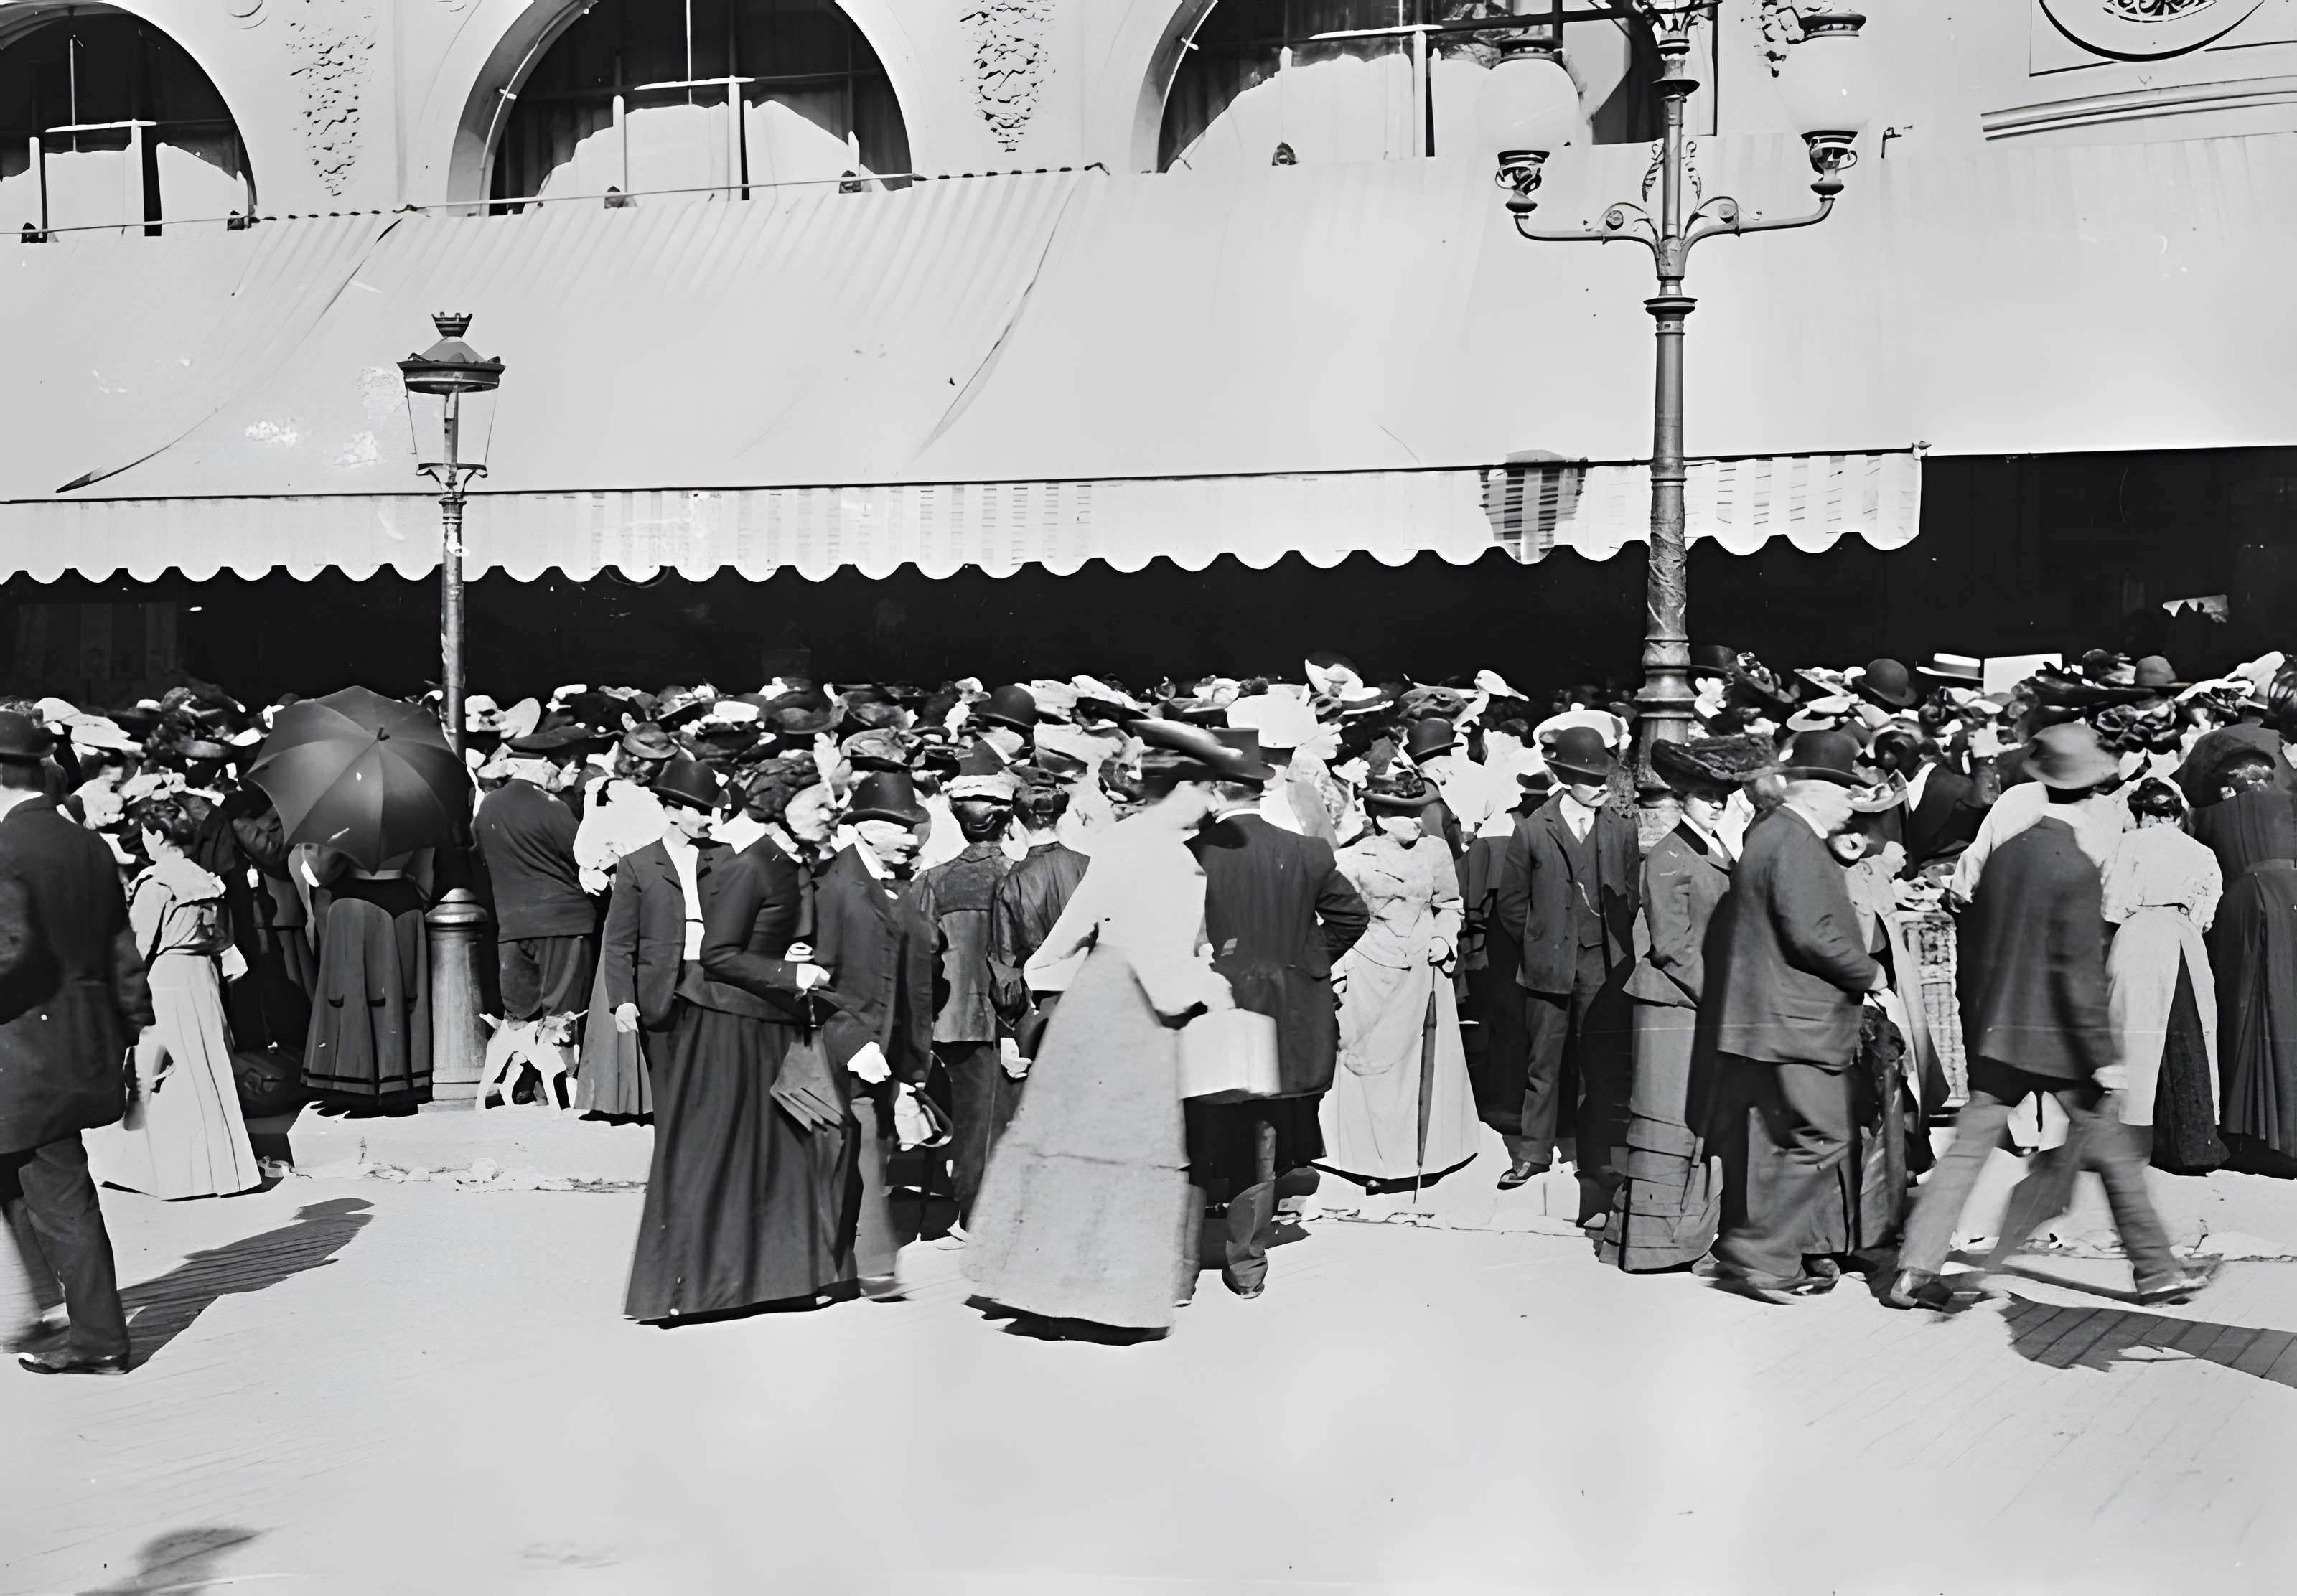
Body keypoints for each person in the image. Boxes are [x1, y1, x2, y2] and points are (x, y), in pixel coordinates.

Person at [1889, 725, 2212, 1310]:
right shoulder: (2078, 866)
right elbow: (2078, 973)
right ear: (2090, 794)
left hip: (2000, 1033)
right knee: (2114, 1153)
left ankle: (1915, 1268)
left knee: (1965, 1155)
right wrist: (2103, 1057)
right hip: (2060, 1042)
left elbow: (1979, 942)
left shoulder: (2007, 853)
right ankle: (2156, 1267)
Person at [966, 721, 1242, 1336]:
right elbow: (1158, 960)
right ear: (1181, 788)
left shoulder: (1121, 841)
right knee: (1127, 1149)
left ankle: (1038, 1285)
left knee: (1068, 1143)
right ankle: (1105, 1298)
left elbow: (1065, 938)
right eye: (1209, 790)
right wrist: (1207, 987)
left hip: (1093, 1010)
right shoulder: (1166, 857)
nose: (1214, 804)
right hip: (1135, 1020)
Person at [631, 761, 841, 1322]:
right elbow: (719, 956)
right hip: (727, 1027)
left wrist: (789, 960)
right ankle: (693, 1291)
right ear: (782, 807)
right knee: (720, 1155)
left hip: (766, 1023)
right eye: (819, 804)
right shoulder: (753, 867)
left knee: (776, 1156)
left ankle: (776, 1281)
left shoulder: (789, 862)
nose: (831, 813)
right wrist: (789, 975)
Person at [1703, 729, 1889, 1303]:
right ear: (1812, 792)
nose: (1851, 805)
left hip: (1766, 1019)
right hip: (1799, 1019)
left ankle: (1764, 1255)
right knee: (1825, 1136)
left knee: (1775, 1137)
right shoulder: (1797, 842)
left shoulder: (1770, 832)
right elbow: (1815, 934)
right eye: (1844, 794)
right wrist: (1871, 975)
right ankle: (1757, 1254)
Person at [1187, 731, 1368, 1298]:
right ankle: (1246, 1269)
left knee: (1191, 1141)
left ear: (1214, 790)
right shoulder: (1305, 853)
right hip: (1280, 1016)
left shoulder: (1189, 855)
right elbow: (1351, 918)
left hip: (1206, 1008)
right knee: (1257, 1140)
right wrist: (1303, 963)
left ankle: (1177, 1276)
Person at [0, 712, 153, 1375]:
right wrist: (132, 1030)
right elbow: (121, 948)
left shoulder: (5, 848)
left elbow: (11, 952)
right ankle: (45, 1312)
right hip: (75, 1047)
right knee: (30, 1181)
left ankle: (98, 1338)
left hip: (22, 1054)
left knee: (57, 1193)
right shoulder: (84, 843)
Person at [1601, 738, 1761, 1272]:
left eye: (1723, 795)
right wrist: (1722, 999)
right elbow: (1672, 947)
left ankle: (1679, 1236)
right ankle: (1655, 1246)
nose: (1716, 803)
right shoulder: (1670, 855)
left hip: (1694, 1002)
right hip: (1672, 1006)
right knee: (1668, 1120)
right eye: (1705, 794)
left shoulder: (1710, 849)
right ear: (1683, 795)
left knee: (1691, 1117)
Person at [1492, 725, 1640, 1216]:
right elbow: (1511, 904)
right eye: (1589, 777)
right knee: (1543, 1063)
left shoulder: (1620, 827)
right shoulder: (1534, 828)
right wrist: (1542, 942)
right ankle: (1532, 1154)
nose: (1602, 785)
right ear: (1564, 777)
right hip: (1549, 966)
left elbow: (1631, 893)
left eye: (1604, 776)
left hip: (1603, 966)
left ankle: (1595, 1157)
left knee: (1597, 1065)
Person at [83, 799, 261, 1201]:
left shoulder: (156, 882)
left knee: (166, 1075)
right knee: (208, 1069)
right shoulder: (206, 880)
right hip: (205, 981)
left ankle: (180, 1178)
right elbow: (223, 940)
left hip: (166, 982)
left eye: (146, 833)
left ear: (159, 836)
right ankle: (226, 1173)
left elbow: (138, 944)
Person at [806, 771, 938, 1300]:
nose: (910, 835)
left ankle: (848, 1262)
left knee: (871, 1149)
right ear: (862, 828)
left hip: (886, 1044)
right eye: (897, 825)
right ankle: (873, 1264)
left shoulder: (895, 880)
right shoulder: (836, 886)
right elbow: (822, 976)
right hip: (846, 1043)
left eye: (912, 825)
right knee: (856, 1148)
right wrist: (855, 1041)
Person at [1319, 772, 1477, 1190]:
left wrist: (1445, 937)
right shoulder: (1351, 860)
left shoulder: (1436, 851)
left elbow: (1449, 904)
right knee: (1369, 1065)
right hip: (1369, 967)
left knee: (1420, 1063)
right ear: (1382, 817)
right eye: (1408, 815)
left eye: (1420, 813)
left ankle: (1428, 1154)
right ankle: (1367, 1161)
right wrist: (1337, 973)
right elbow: (1335, 921)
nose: (1419, 822)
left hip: (1424, 969)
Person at [911, 751, 1022, 1231]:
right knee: (993, 1122)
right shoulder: (1018, 876)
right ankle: (982, 1217)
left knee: (971, 1119)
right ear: (1006, 819)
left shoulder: (932, 881)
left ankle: (974, 1212)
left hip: (950, 1016)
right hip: (1008, 1018)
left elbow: (919, 953)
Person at [585, 756, 725, 1120]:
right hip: (662, 989)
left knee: (716, 1084)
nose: (709, 818)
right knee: (669, 1089)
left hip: (716, 981)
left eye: (712, 810)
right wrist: (623, 1001)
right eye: (700, 810)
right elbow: (618, 941)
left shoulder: (726, 859)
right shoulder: (639, 864)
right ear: (671, 810)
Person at [2100, 778, 2226, 1173]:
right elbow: (2207, 913)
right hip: (2184, 939)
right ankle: (2190, 1143)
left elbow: (2111, 906)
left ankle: (2129, 1140)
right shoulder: (2202, 852)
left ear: (2143, 814)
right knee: (2187, 1035)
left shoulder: (2128, 845)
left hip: (2139, 939)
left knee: (2133, 1037)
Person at [2190, 737, 2297, 1165]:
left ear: (2232, 788)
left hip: (2248, 906)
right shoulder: (2290, 805)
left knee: (2247, 1013)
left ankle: (2259, 1132)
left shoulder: (2214, 814)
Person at [300, 847, 432, 1111]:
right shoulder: (417, 807)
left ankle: (358, 1087)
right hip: (404, 900)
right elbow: (425, 874)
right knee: (397, 994)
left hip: (357, 901)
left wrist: (309, 849)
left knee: (354, 994)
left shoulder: (347, 808)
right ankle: (400, 1082)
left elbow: (321, 871)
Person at [474, 749, 597, 1025]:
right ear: (543, 764)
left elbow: (482, 855)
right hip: (562, 924)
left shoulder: (489, 805)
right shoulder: (551, 805)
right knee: (563, 1018)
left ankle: (521, 1068)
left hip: (512, 926)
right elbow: (584, 853)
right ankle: (560, 1068)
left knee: (519, 1018)